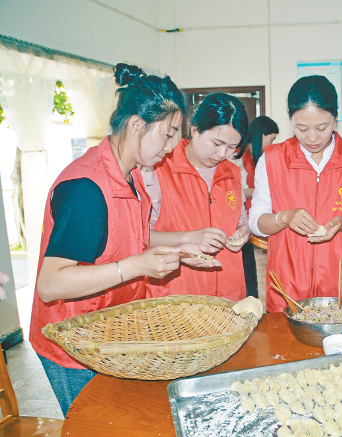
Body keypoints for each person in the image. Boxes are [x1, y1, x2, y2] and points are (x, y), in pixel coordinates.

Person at [29, 63, 219, 415]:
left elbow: (132, 239)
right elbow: (50, 284)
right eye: (168, 133)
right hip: (73, 343)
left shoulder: (130, 176)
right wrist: (135, 266)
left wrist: (180, 247)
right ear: (136, 125)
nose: (173, 145)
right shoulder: (87, 189)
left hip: (110, 332)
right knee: (99, 423)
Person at [249, 75, 342, 313]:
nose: (313, 137)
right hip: (286, 283)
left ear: (335, 118)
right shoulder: (273, 159)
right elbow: (256, 220)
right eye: (302, 128)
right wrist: (283, 218)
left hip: (339, 283)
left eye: (322, 127)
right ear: (290, 121)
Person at [142, 92, 251, 300]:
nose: (222, 155)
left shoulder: (232, 173)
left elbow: (241, 221)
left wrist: (244, 232)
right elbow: (140, 237)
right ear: (195, 129)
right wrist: (189, 237)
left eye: (231, 147)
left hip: (228, 296)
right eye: (217, 143)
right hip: (177, 299)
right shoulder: (158, 170)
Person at [233, 115, 279, 299]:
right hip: (239, 219)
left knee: (249, 269)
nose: (272, 143)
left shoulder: (253, 157)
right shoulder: (240, 156)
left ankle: (252, 302)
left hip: (248, 220)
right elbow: (238, 191)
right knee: (245, 268)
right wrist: (264, 191)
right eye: (272, 138)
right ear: (262, 134)